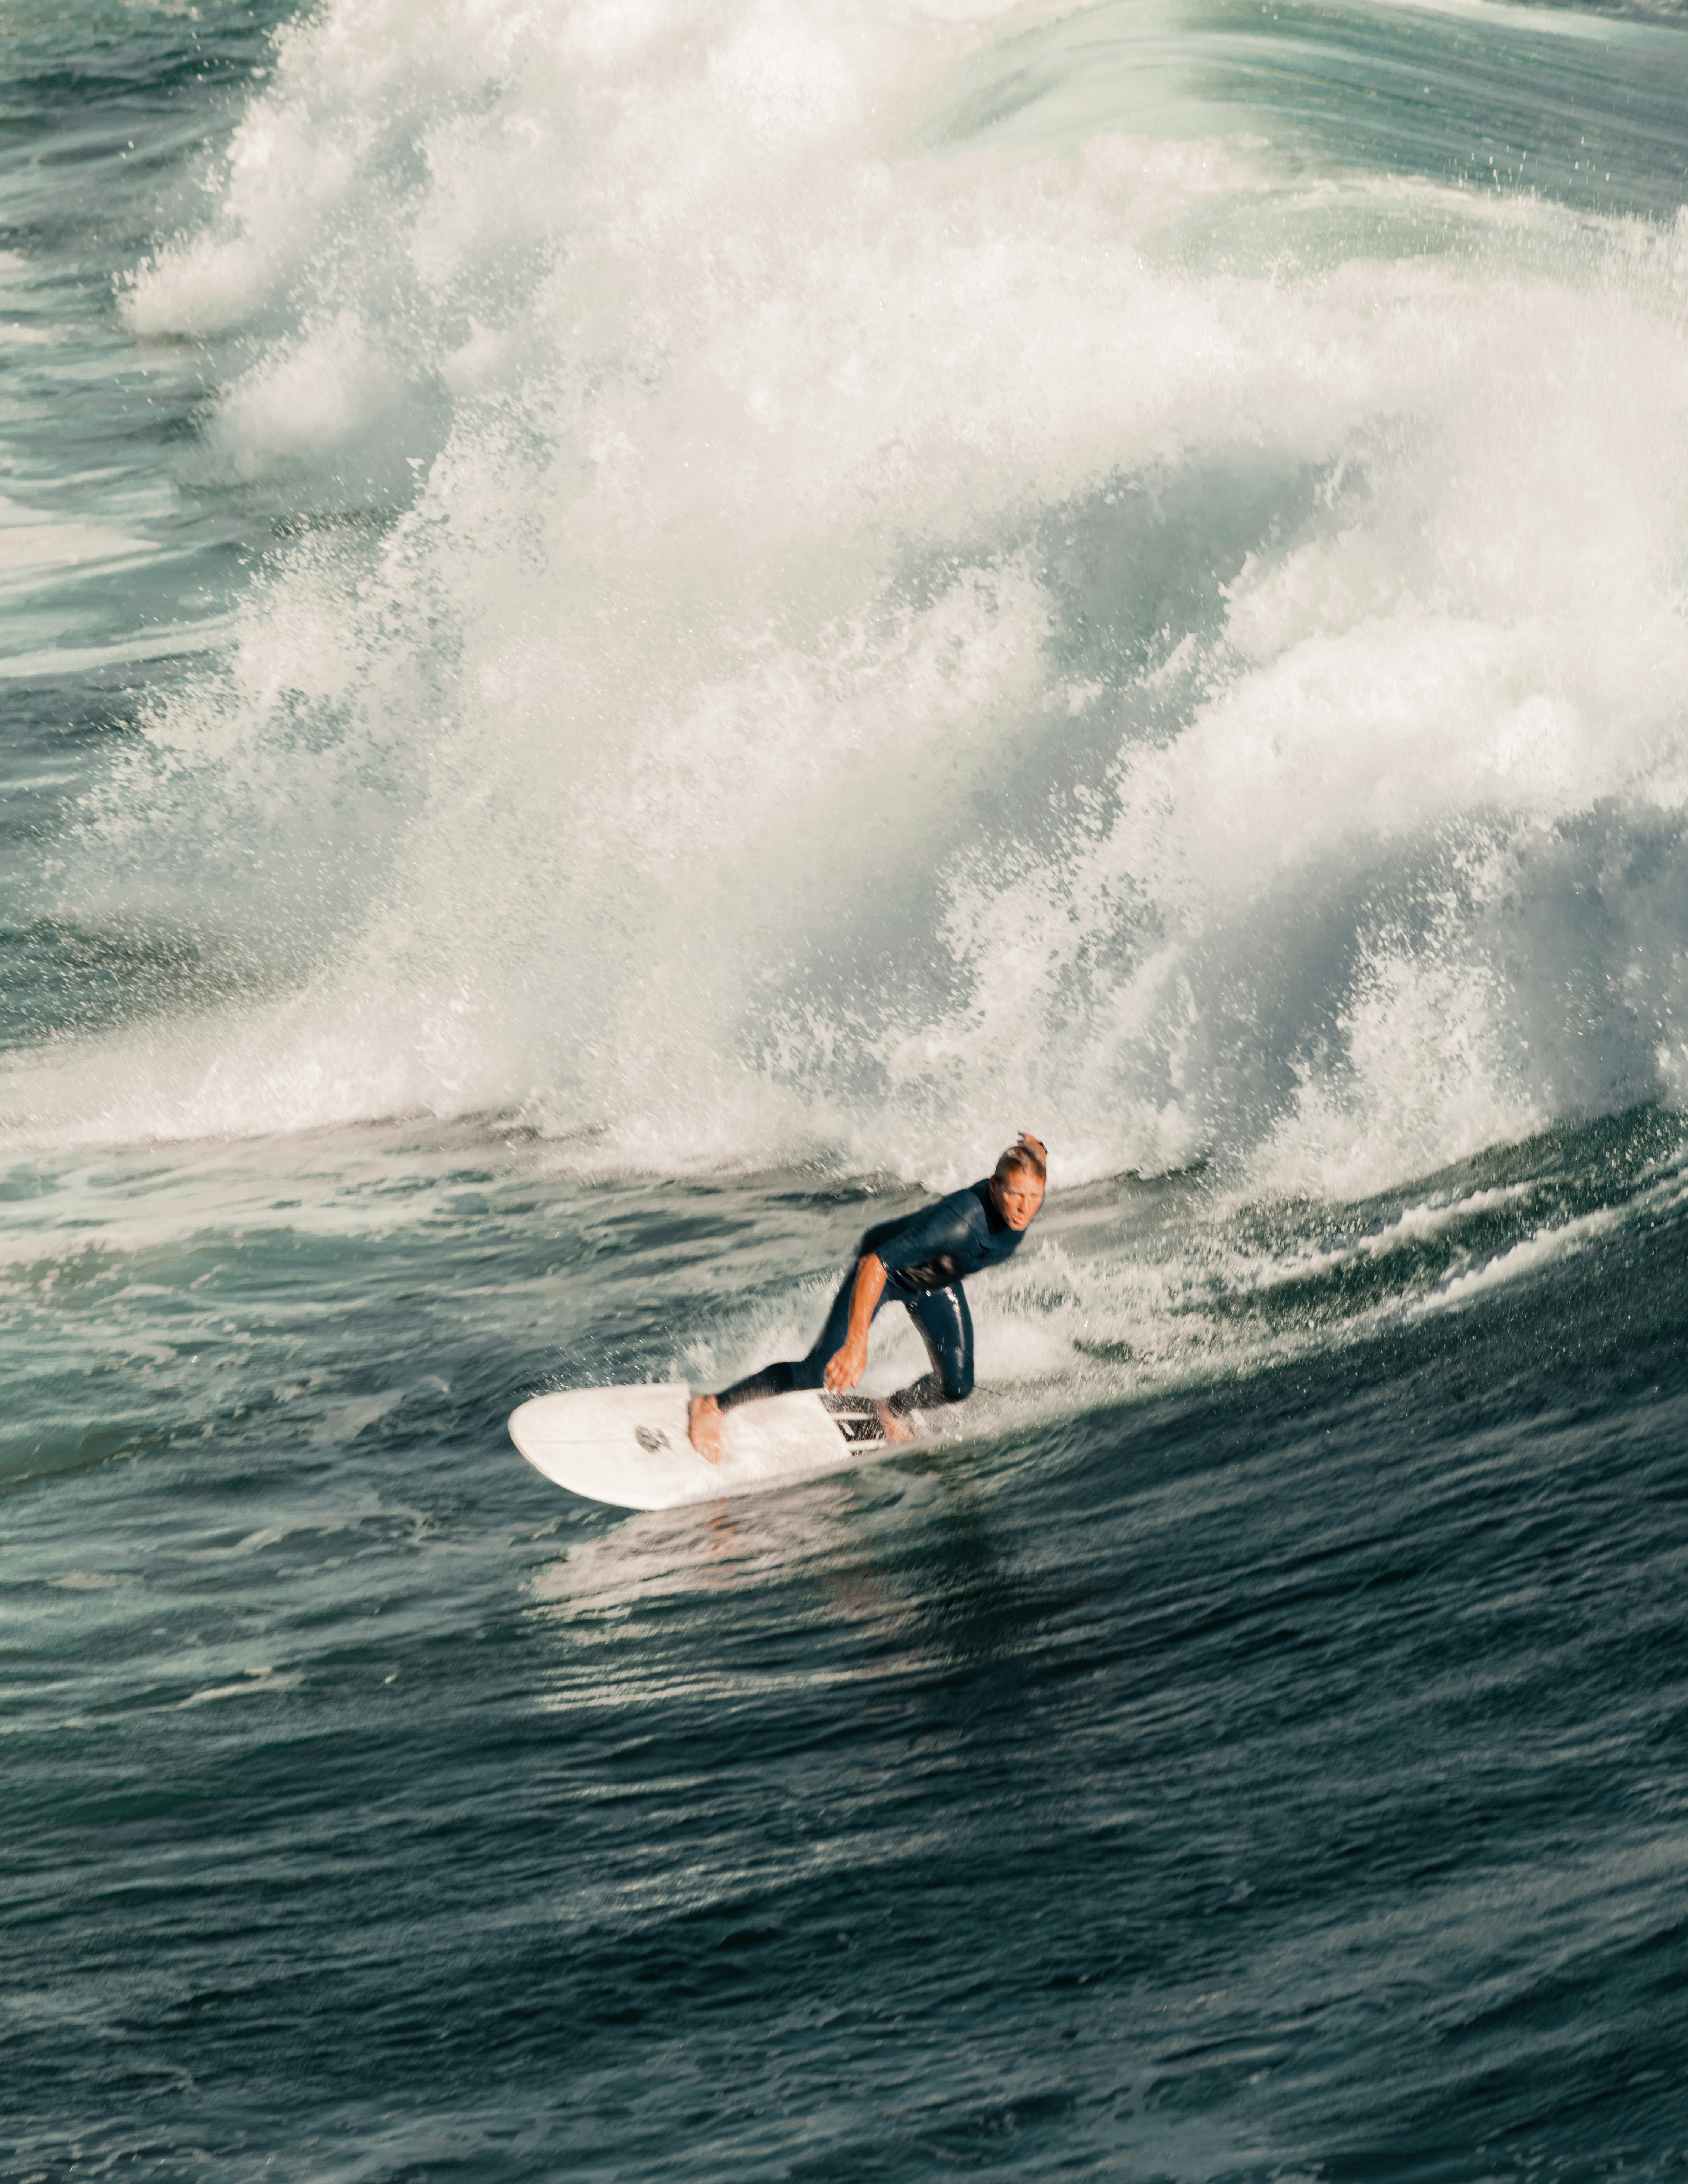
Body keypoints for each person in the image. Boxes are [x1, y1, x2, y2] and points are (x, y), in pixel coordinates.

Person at [688, 1134, 1048, 1463]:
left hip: (936, 1280)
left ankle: (891, 1409)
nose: (1023, 1208)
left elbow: (1034, 1165)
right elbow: (876, 1263)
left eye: (1034, 1196)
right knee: (818, 1372)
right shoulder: (959, 1224)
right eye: (1015, 1194)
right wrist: (856, 1344)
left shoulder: (1025, 1197)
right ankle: (713, 1406)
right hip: (881, 1273)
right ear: (994, 1186)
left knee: (956, 1387)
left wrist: (1037, 1148)